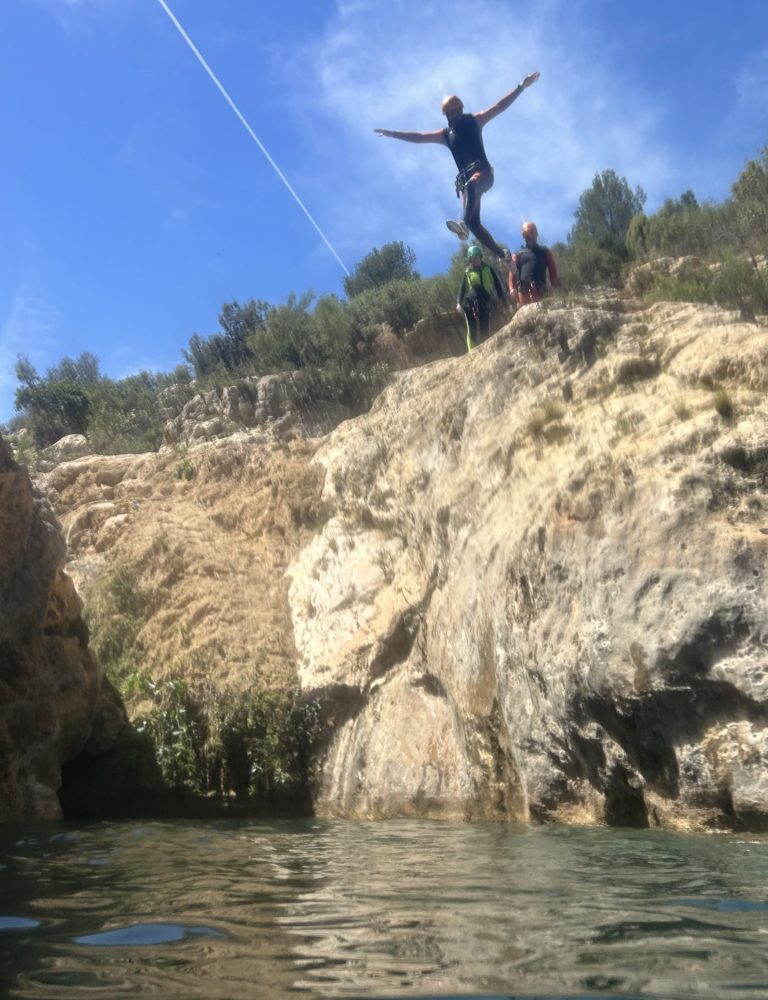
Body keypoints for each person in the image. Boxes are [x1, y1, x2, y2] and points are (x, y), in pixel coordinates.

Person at [374, 73, 540, 262]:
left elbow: (499, 107)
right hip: (467, 184)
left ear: (461, 109)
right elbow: (420, 137)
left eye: (455, 112)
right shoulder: (446, 135)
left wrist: (521, 87)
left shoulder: (475, 121)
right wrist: (393, 133)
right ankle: (502, 255)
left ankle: (462, 224)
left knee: (471, 188)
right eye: (449, 114)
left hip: (483, 175)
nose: (452, 116)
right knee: (473, 221)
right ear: (445, 115)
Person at [456, 244, 507, 351]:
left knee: (484, 327)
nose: (475, 260)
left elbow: (497, 284)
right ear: (470, 259)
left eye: (477, 257)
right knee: (472, 329)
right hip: (471, 302)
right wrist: (458, 303)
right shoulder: (467, 272)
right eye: (472, 258)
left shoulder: (488, 268)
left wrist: (500, 299)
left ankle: (486, 351)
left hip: (485, 301)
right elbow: (462, 288)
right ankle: (471, 354)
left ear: (480, 256)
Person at [508, 221, 559, 305]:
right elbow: (512, 272)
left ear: (536, 233)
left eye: (531, 232)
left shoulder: (545, 252)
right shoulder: (517, 254)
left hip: (542, 293)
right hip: (524, 295)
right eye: (525, 234)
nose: (528, 235)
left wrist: (557, 290)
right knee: (526, 317)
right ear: (523, 236)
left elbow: (553, 274)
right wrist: (511, 288)